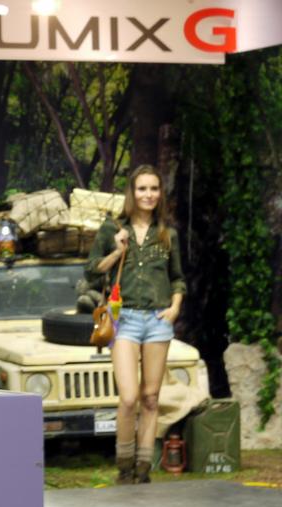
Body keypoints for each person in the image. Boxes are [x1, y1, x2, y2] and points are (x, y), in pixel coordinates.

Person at [85, 164, 186, 485]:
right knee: (129, 397)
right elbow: (91, 271)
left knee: (151, 398)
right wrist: (118, 250)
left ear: (160, 193)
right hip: (124, 318)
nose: (148, 195)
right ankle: (124, 466)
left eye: (154, 188)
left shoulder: (167, 234)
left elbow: (177, 278)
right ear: (132, 192)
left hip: (158, 321)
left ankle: (143, 469)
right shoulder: (112, 228)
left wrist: (174, 308)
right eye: (142, 188)